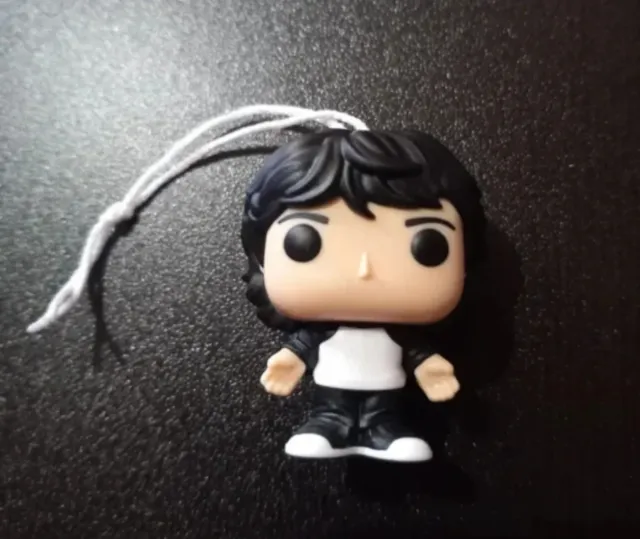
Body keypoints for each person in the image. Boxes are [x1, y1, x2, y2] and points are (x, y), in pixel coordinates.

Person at [241, 129, 486, 461]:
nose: (364, 270)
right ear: (262, 258)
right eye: (304, 242)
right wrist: (289, 360)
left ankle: (383, 432)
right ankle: (326, 427)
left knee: (382, 417)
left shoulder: (401, 333)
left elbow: (416, 352)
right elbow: (302, 345)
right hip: (332, 389)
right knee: (331, 414)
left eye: (429, 246)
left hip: (386, 392)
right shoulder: (321, 331)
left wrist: (430, 367)